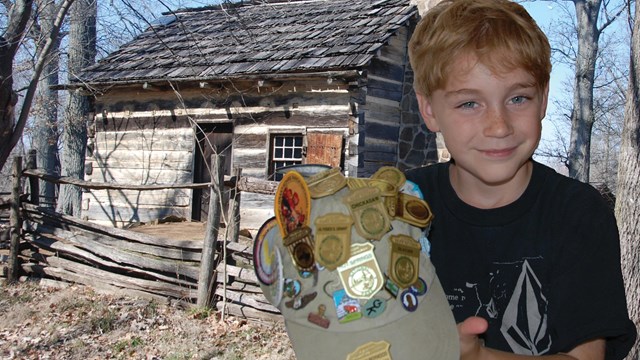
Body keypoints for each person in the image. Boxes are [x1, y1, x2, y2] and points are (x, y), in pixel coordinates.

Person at [405, 0, 637, 359]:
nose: (499, 126)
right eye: (469, 103)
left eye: (518, 98)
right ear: (430, 110)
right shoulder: (401, 203)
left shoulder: (578, 214)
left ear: (543, 100)